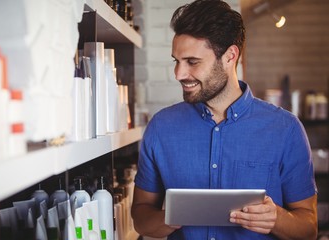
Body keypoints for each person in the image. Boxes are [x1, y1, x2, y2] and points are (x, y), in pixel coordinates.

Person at [131, 0, 318, 239]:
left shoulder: (286, 129)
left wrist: (276, 218)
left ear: (230, 56)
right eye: (176, 61)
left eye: (192, 62)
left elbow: (309, 228)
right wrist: (169, 218)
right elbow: (140, 217)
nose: (179, 74)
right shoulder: (161, 128)